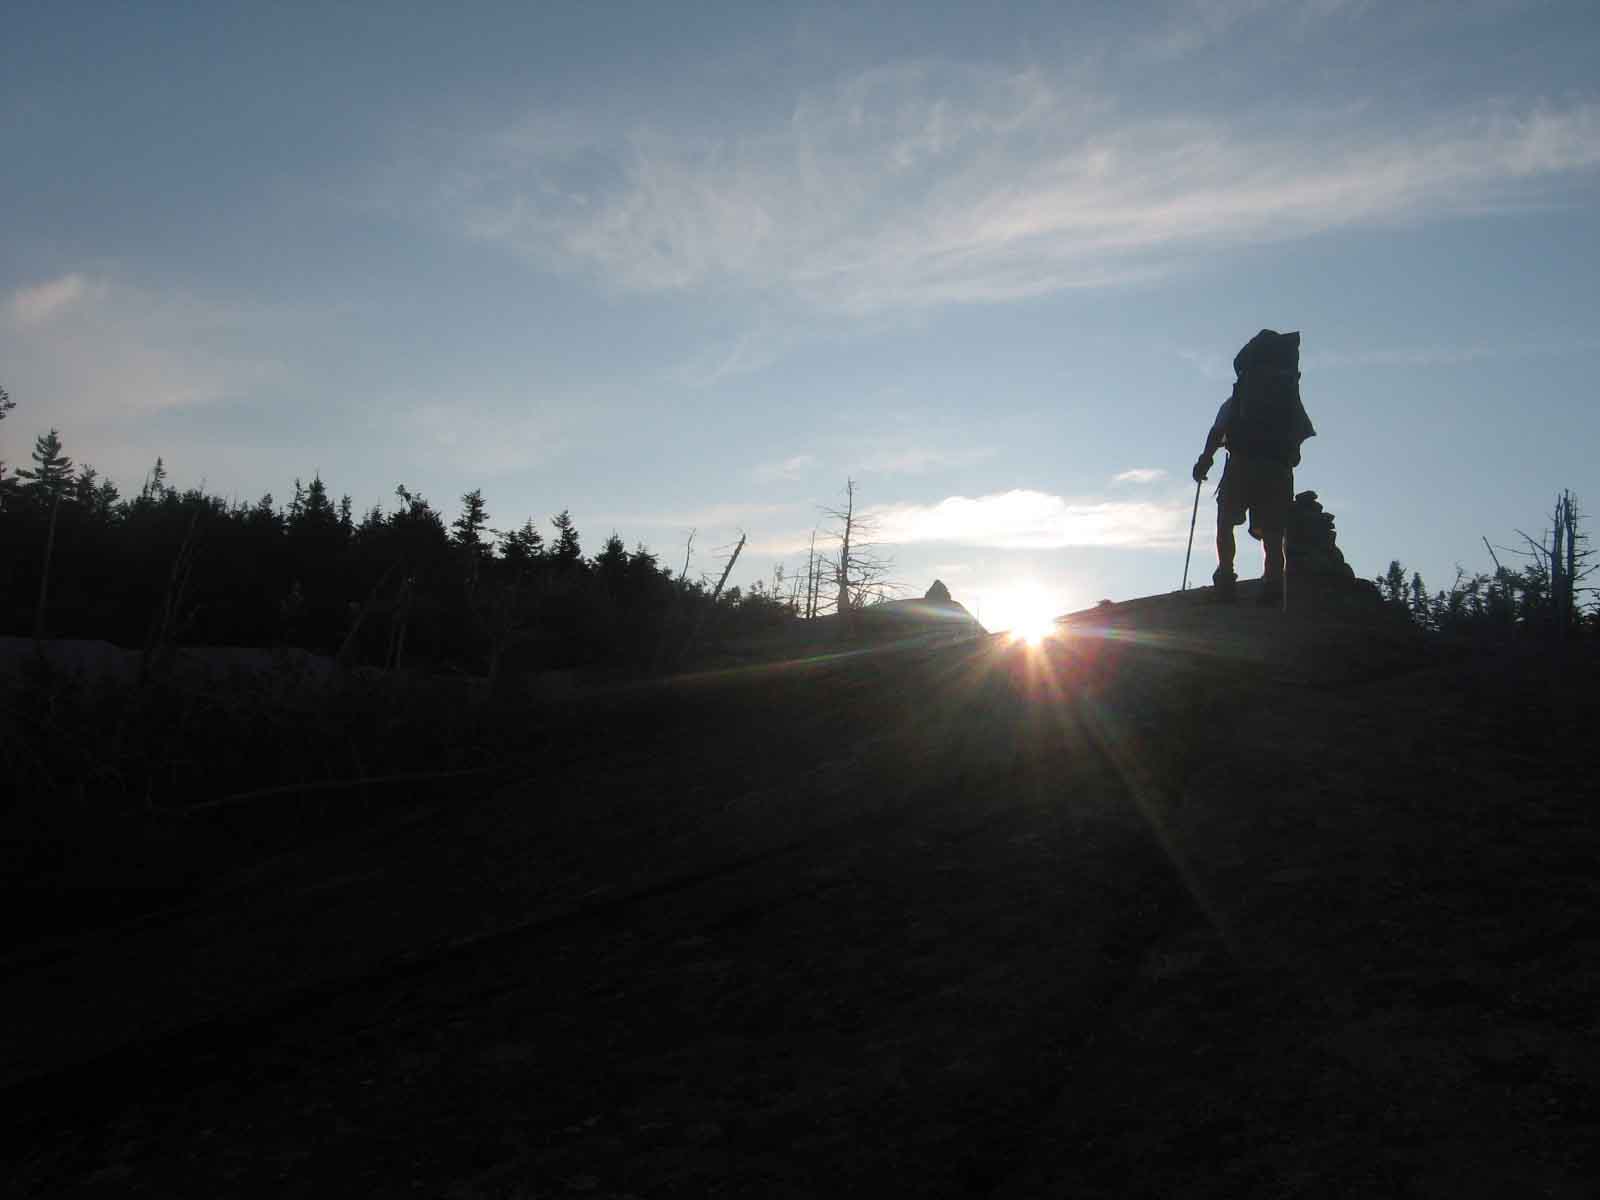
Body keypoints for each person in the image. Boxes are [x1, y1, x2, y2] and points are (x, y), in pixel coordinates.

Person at [1192, 330, 1316, 608]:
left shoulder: (1239, 397)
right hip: (1277, 469)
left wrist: (1205, 460)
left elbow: (1218, 430)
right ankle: (1273, 584)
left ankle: (1226, 579)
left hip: (1242, 464)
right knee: (1273, 531)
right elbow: (1300, 434)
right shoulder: (1287, 398)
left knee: (1225, 521)